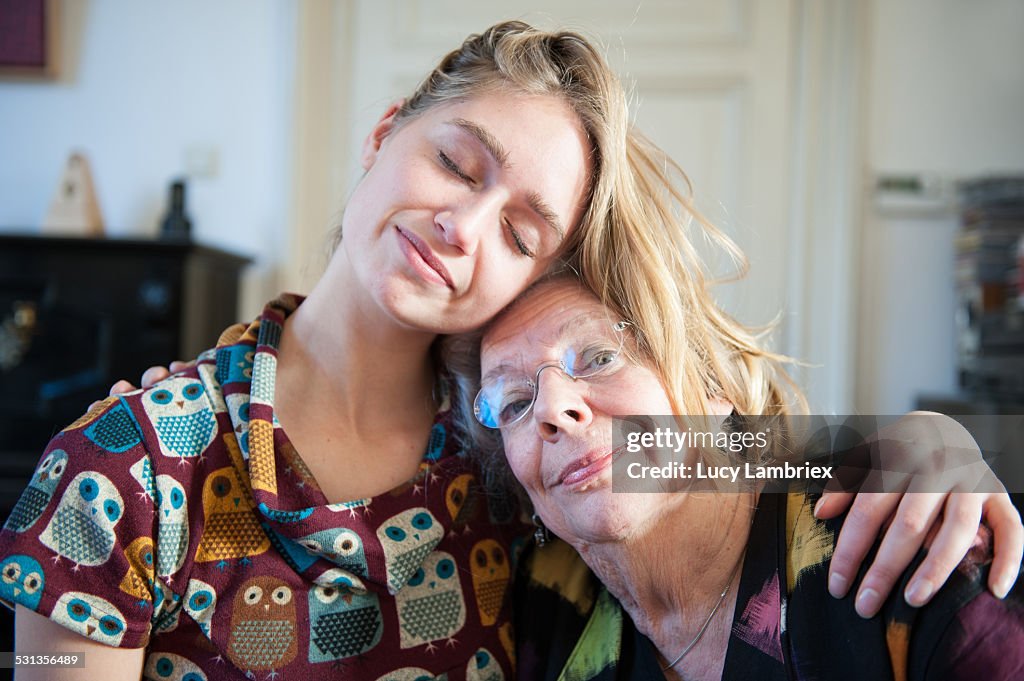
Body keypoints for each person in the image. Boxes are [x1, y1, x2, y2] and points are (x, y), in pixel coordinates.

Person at [0, 20, 1020, 681]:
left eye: (522, 232)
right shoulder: (129, 466)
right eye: (454, 163)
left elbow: (752, 456)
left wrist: (932, 438)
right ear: (384, 133)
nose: (463, 226)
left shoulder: (513, 468)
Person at [467, 273, 1024, 680]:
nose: (552, 408)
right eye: (514, 401)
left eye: (598, 357)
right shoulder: (537, 611)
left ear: (712, 386)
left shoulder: (901, 540)